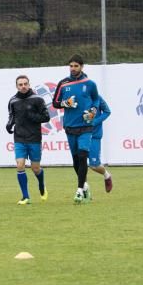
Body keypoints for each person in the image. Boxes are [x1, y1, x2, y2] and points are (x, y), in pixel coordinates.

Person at [52, 55, 102, 204]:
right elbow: (55, 103)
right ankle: (85, 185)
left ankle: (79, 190)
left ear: (82, 67)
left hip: (86, 126)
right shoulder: (63, 83)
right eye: (71, 66)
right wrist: (65, 103)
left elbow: (96, 100)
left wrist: (93, 110)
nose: (73, 68)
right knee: (75, 160)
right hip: (70, 126)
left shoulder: (90, 84)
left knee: (82, 156)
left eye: (76, 66)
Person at [6, 75, 50, 204]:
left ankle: (41, 184)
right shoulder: (13, 101)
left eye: (25, 84)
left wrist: (33, 116)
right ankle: (26, 197)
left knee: (35, 168)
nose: (23, 86)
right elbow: (11, 116)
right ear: (17, 86)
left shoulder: (37, 99)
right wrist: (9, 124)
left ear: (29, 85)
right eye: (20, 84)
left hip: (34, 138)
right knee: (20, 165)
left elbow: (46, 117)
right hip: (19, 138)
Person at [89, 95, 114, 192]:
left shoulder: (97, 97)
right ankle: (84, 189)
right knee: (78, 163)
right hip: (79, 134)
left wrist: (95, 121)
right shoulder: (77, 97)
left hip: (94, 135)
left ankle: (107, 175)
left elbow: (107, 112)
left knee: (94, 165)